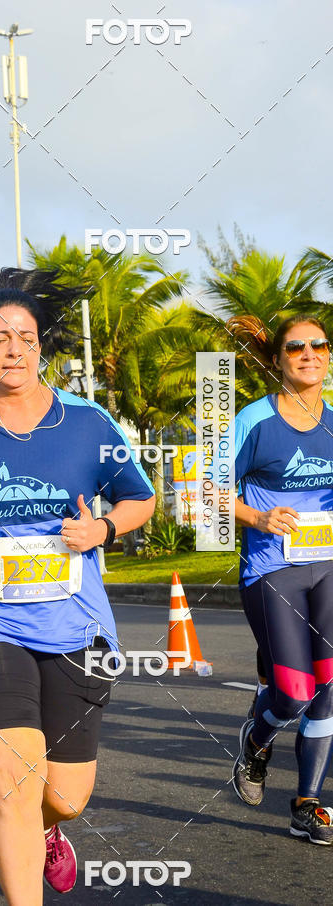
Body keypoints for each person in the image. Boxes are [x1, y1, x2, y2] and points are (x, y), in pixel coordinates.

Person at [0, 267, 155, 903]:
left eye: (25, 335)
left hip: (76, 623)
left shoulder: (89, 424)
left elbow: (139, 501)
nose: (13, 347)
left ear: (41, 346)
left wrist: (101, 529)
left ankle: (46, 833)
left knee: (65, 795)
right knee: (13, 777)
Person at [229, 314, 333, 844]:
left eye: (319, 344)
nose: (309, 353)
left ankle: (307, 803)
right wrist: (258, 517)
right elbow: (206, 491)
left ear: (329, 355)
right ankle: (256, 739)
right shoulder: (254, 421)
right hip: (272, 570)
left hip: (331, 569)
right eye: (296, 347)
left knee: (328, 686)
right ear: (278, 360)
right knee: (292, 694)